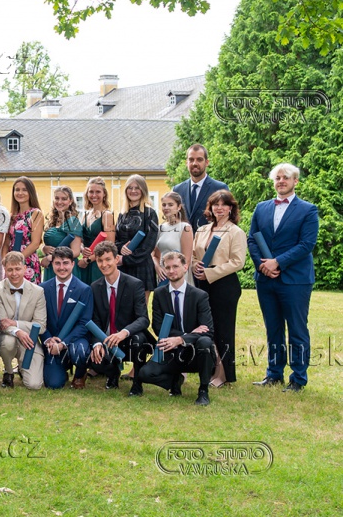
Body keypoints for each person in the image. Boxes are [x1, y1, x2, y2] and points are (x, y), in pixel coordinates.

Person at [247, 163, 318, 392]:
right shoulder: (261, 208)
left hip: (295, 280)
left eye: (286, 177)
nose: (281, 181)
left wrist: (277, 262)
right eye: (277, 178)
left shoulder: (308, 210)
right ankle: (274, 374)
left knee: (297, 329)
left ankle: (298, 378)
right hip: (266, 279)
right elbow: (252, 239)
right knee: (273, 328)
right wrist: (262, 265)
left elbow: (306, 244)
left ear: (295, 181)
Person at [132, 252, 214, 406]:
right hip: (170, 349)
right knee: (145, 374)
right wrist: (186, 335)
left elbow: (208, 331)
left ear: (185, 267)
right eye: (168, 267)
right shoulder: (159, 294)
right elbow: (158, 327)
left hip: (195, 351)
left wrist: (181, 339)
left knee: (205, 342)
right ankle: (174, 381)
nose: (171, 271)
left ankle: (203, 391)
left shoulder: (199, 295)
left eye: (175, 266)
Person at [192, 190, 246, 387]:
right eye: (216, 204)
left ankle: (224, 373)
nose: (219, 208)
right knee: (207, 328)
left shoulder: (236, 232)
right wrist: (195, 266)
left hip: (224, 284)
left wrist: (211, 273)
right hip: (202, 283)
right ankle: (211, 367)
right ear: (211, 208)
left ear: (231, 208)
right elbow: (193, 255)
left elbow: (238, 262)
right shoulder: (202, 230)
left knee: (223, 329)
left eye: (224, 205)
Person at [87, 242, 154, 390]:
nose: (104, 264)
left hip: (128, 337)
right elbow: (95, 319)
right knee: (91, 353)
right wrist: (97, 343)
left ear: (117, 259)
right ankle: (112, 374)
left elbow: (143, 319)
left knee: (139, 340)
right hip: (106, 338)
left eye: (108, 259)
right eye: (100, 260)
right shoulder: (94, 287)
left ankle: (137, 383)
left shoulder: (135, 284)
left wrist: (124, 332)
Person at [41, 247, 93, 389]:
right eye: (57, 263)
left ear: (73, 264)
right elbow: (39, 319)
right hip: (52, 342)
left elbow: (84, 323)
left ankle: (80, 373)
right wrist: (48, 339)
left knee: (80, 352)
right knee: (54, 384)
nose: (62, 267)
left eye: (65, 263)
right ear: (52, 264)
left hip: (75, 340)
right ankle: (62, 367)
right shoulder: (43, 288)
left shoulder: (84, 289)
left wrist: (64, 343)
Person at [0, 251, 47, 390]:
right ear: (4, 270)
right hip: (7, 336)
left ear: (24, 268)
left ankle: (23, 368)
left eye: (17, 269)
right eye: (10, 270)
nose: (14, 273)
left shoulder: (38, 291)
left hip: (29, 340)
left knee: (34, 385)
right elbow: (2, 323)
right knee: (8, 343)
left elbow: (41, 326)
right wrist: (18, 332)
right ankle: (8, 371)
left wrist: (16, 324)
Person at [115, 174, 159, 298]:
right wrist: (121, 248)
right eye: (130, 187)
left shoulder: (150, 213)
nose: (133, 191)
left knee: (140, 307)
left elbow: (149, 245)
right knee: (123, 307)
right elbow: (116, 240)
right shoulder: (122, 214)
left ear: (143, 190)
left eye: (137, 188)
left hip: (141, 267)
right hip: (123, 268)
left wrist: (125, 259)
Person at [173, 144, 229, 230]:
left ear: (207, 162)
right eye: (191, 160)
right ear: (186, 163)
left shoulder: (219, 188)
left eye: (199, 159)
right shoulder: (177, 190)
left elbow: (226, 220)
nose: (195, 163)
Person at [5, 176, 44, 284]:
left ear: (30, 192)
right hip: (11, 263)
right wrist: (5, 260)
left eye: (24, 190)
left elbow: (35, 243)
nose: (20, 193)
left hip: (27, 260)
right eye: (17, 190)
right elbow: (6, 241)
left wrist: (17, 260)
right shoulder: (11, 215)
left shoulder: (36, 213)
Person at [40, 185, 83, 281]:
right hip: (51, 267)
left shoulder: (73, 221)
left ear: (70, 201)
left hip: (65, 268)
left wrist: (51, 257)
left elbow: (76, 251)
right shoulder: (52, 220)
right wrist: (44, 249)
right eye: (57, 198)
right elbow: (47, 243)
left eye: (64, 199)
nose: (59, 202)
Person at [77, 177, 114, 285]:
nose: (94, 195)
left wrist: (88, 260)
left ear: (104, 194)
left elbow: (110, 245)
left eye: (98, 192)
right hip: (85, 264)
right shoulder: (85, 215)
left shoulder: (107, 215)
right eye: (91, 192)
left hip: (99, 264)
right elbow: (80, 240)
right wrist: (82, 249)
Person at [153, 191, 194, 285]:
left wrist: (173, 274)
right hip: (163, 276)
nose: (166, 207)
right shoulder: (160, 228)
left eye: (170, 205)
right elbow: (155, 255)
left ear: (179, 207)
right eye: (164, 205)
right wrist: (157, 267)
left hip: (179, 277)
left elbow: (186, 260)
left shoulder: (185, 227)